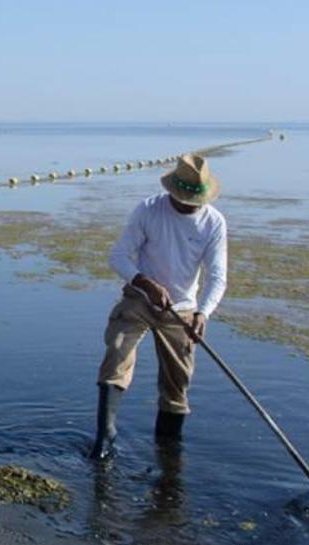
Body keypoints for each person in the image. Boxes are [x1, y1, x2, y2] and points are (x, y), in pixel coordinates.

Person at [88, 153, 228, 460]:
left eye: (195, 199)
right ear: (171, 191)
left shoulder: (213, 222)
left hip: (183, 309)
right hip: (140, 297)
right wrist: (146, 283)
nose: (190, 204)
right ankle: (105, 436)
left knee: (178, 384)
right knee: (117, 350)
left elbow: (217, 277)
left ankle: (168, 454)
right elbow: (119, 256)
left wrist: (203, 313)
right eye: (184, 197)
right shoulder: (149, 210)